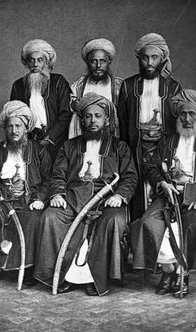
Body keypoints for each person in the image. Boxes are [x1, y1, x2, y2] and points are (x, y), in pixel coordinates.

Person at [34, 93, 138, 296]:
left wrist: (120, 196)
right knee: (50, 217)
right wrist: (57, 194)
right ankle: (61, 276)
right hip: (72, 200)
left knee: (114, 222)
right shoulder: (69, 146)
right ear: (81, 120)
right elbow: (58, 175)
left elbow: (130, 177)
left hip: (106, 202)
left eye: (98, 116)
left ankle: (96, 278)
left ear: (106, 119)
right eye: (88, 116)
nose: (93, 121)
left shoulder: (120, 147)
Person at [131, 89, 196, 298]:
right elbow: (151, 166)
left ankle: (182, 275)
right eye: (182, 114)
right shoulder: (167, 142)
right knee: (147, 223)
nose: (187, 119)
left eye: (192, 114)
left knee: (194, 227)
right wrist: (162, 183)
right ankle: (169, 273)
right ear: (177, 116)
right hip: (168, 198)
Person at [0, 100, 52, 284]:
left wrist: (40, 199)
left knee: (33, 220)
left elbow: (48, 180)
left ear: (26, 128)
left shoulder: (39, 151)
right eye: (10, 126)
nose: (14, 131)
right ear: (5, 128)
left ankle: (25, 269)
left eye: (18, 126)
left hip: (27, 202)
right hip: (0, 203)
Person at [118, 33, 182, 220]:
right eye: (145, 57)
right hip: (135, 148)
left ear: (163, 59)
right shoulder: (128, 86)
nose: (149, 62)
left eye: (154, 57)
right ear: (139, 58)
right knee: (135, 191)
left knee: (162, 190)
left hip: (163, 149)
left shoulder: (173, 87)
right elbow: (122, 122)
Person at [10, 39, 72, 160]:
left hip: (56, 141)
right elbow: (15, 116)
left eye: (40, 60)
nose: (35, 64)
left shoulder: (58, 81)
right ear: (27, 63)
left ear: (46, 63)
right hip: (28, 142)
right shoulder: (18, 86)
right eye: (31, 60)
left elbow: (66, 114)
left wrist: (49, 139)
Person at [69, 38, 122, 139]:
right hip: (83, 138)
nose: (98, 65)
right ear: (87, 63)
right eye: (94, 61)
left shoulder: (119, 86)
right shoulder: (79, 85)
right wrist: (73, 105)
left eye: (102, 61)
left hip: (111, 139)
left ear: (109, 62)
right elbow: (69, 105)